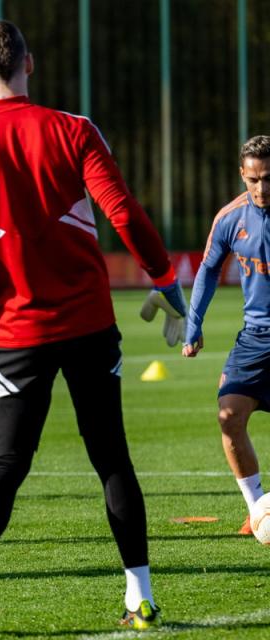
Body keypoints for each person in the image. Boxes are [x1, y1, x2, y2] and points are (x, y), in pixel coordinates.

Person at [0, 20, 186, 634]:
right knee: (112, 459)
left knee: (5, 464)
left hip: (18, 335)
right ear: (29, 64)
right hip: (91, 324)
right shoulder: (74, 130)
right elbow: (121, 209)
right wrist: (163, 277)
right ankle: (140, 597)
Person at [183, 135, 270, 538]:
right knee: (228, 416)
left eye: (268, 178)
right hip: (254, 338)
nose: (261, 188)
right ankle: (258, 513)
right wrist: (193, 322)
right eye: (253, 180)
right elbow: (207, 270)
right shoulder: (230, 218)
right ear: (242, 175)